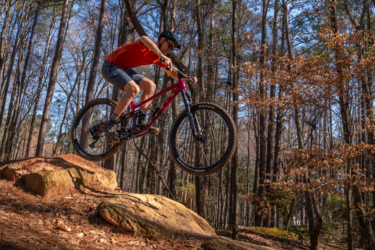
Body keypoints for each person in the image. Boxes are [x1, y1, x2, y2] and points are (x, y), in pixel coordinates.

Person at [101, 30, 196, 142]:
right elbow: (143, 39)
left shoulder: (157, 58)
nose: (170, 50)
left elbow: (172, 73)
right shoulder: (148, 43)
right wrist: (161, 56)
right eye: (169, 46)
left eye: (172, 48)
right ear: (162, 40)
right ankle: (110, 124)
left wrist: (188, 77)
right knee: (134, 89)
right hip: (111, 65)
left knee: (151, 86)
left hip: (125, 70)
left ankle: (140, 122)